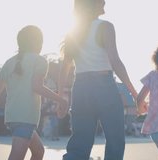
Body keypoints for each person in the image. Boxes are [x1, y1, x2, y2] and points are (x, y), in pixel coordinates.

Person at [58, 0, 138, 159]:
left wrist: (61, 98)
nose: (104, 2)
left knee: (79, 142)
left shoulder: (73, 32)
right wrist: (135, 94)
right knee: (115, 139)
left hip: (80, 87)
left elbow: (64, 67)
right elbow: (115, 62)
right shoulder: (105, 27)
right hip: (104, 86)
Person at [0, 25, 68, 160]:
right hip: (25, 117)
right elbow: (37, 86)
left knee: (39, 152)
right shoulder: (39, 61)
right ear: (39, 43)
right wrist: (60, 99)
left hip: (12, 117)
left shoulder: (9, 62)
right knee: (16, 156)